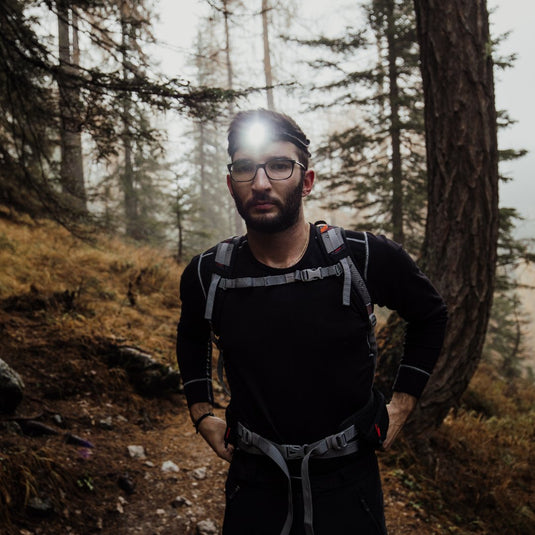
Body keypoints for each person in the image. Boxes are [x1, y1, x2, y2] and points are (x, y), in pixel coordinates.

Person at [176, 109, 447, 535]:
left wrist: (402, 405)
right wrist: (201, 413)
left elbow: (430, 314)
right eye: (246, 168)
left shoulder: (363, 257)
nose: (261, 183)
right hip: (254, 482)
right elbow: (191, 334)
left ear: (306, 180)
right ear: (231, 184)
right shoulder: (208, 273)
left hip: (349, 481)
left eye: (279, 165)